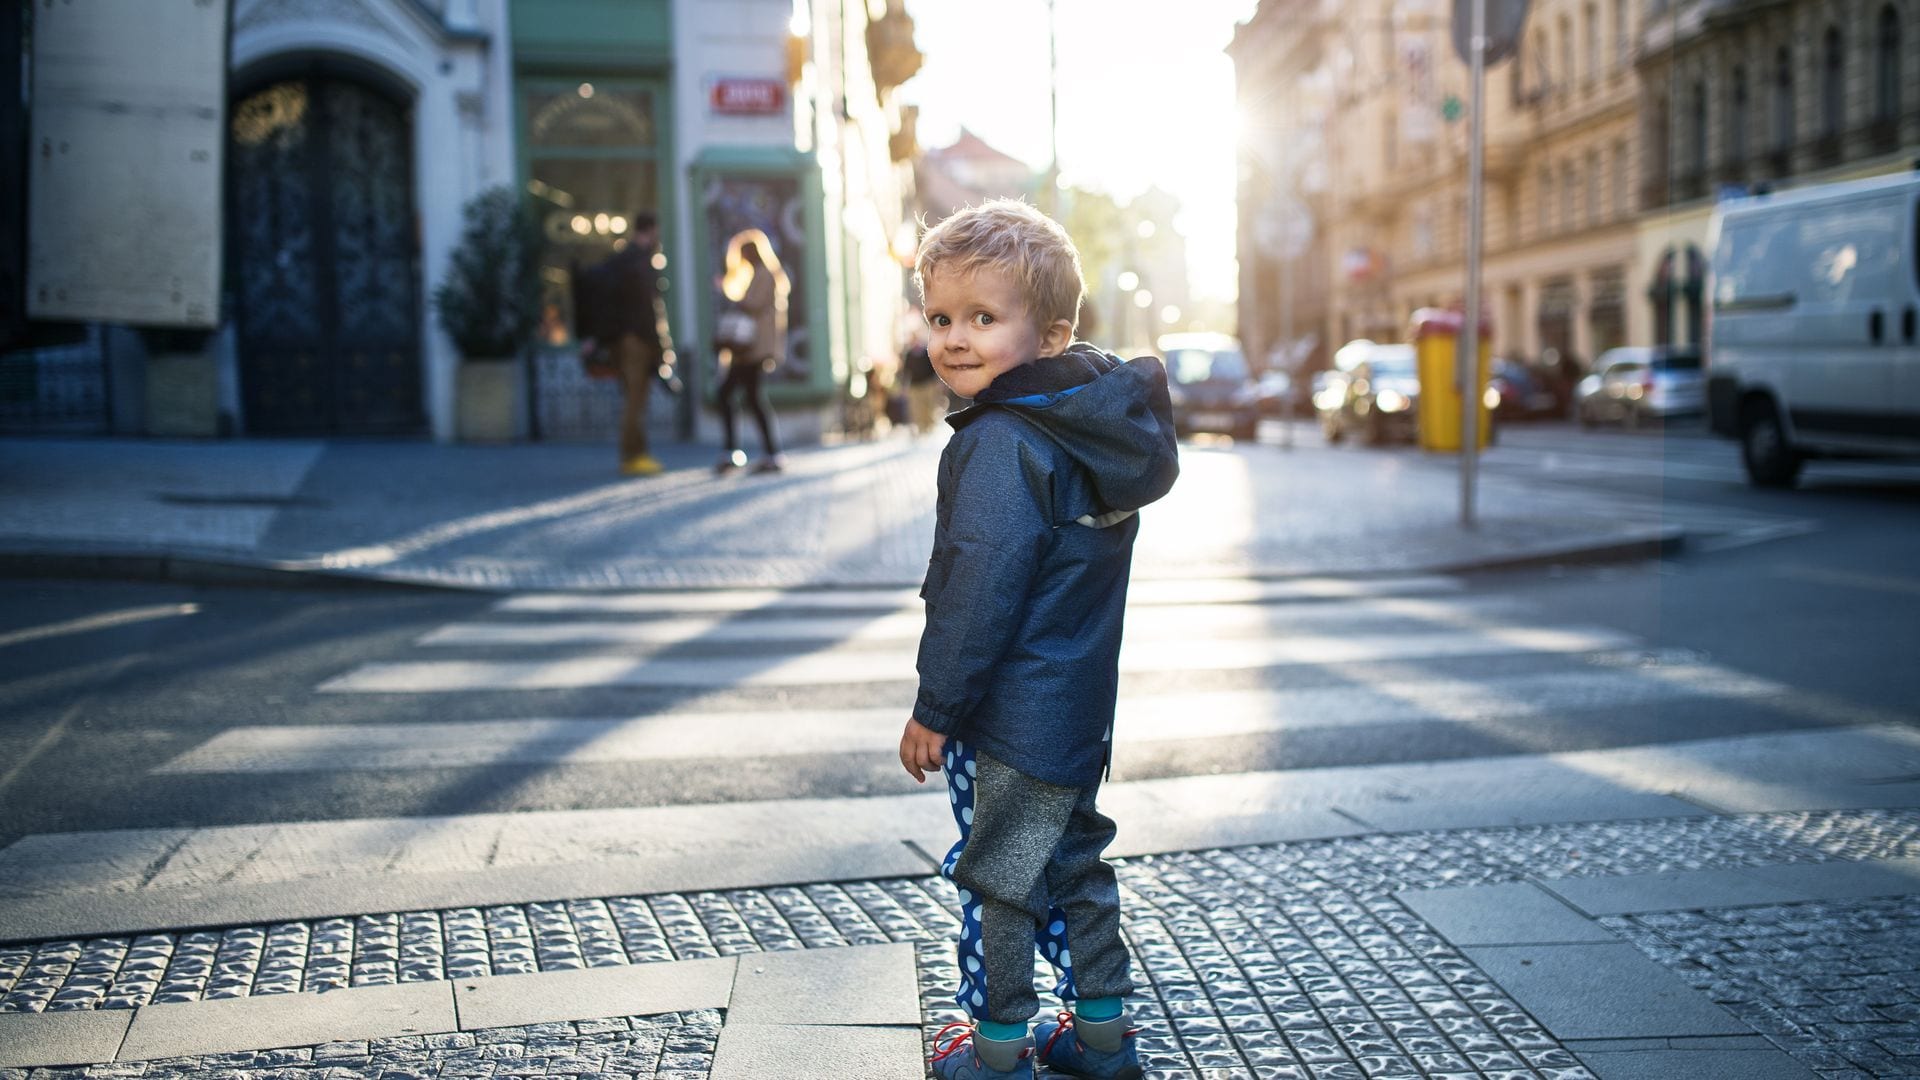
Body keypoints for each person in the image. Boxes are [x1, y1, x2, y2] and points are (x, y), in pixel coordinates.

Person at [899, 198, 1179, 1080]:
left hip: (1007, 717)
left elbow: (980, 585)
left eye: (984, 318)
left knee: (1000, 877)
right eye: (941, 317)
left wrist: (936, 706)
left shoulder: (1001, 441)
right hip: (1076, 709)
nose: (955, 339)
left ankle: (997, 1051)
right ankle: (1101, 1037)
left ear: (1052, 334)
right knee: (1076, 866)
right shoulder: (1086, 427)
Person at [576, 212, 673, 476]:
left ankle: (635, 454)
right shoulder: (638, 262)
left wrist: (599, 337)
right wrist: (660, 348)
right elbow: (648, 310)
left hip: (622, 339)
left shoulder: (619, 260)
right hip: (636, 340)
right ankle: (634, 455)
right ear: (651, 229)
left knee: (633, 397)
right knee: (636, 399)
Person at [712, 228, 787, 474]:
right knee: (748, 398)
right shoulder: (761, 274)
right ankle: (763, 453)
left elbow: (752, 305)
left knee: (736, 396)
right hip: (749, 350)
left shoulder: (765, 275)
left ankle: (762, 453)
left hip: (753, 349)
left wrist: (727, 293)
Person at [900, 325, 946, 436]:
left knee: (929, 407)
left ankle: (929, 428)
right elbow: (905, 372)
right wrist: (904, 386)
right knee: (917, 408)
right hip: (915, 385)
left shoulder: (926, 352)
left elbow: (934, 369)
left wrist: (938, 382)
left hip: (928, 384)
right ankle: (921, 429)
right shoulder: (909, 354)